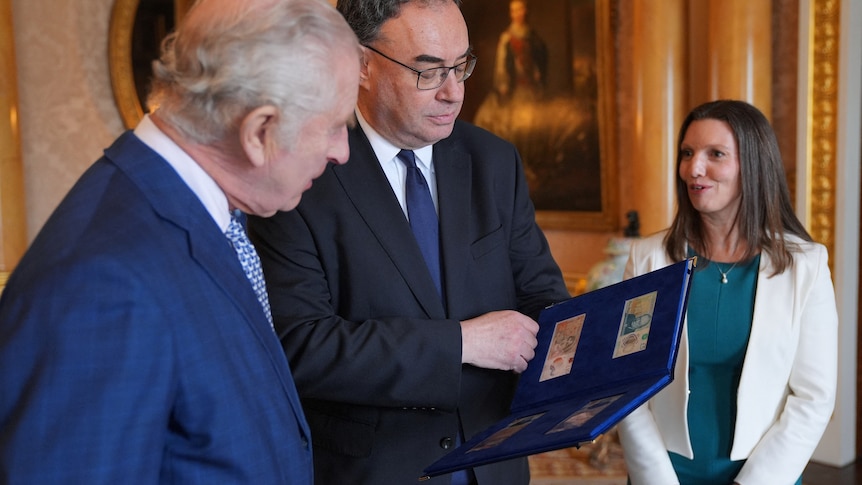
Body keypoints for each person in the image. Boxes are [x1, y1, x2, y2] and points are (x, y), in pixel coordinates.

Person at [0, 0, 360, 482]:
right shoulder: (101, 285)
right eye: (336, 126)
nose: (342, 151)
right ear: (260, 132)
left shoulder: (197, 214)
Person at [247, 0, 570, 483]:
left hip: (494, 464)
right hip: (375, 470)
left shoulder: (494, 161)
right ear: (360, 64)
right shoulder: (302, 171)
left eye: (461, 66)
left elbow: (543, 297)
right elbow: (299, 346)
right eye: (429, 71)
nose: (453, 93)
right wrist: (462, 343)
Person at [617, 100, 838, 485]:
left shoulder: (808, 265)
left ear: (752, 165)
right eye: (687, 154)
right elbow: (626, 385)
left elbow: (813, 398)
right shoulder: (647, 257)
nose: (693, 169)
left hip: (765, 475)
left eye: (714, 154)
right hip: (664, 473)